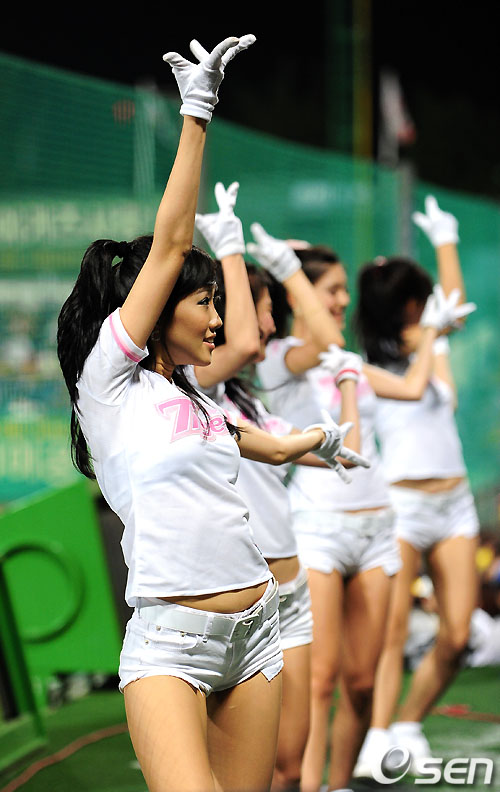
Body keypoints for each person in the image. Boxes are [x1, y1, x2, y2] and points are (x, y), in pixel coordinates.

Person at [56, 35, 363, 792]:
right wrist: (197, 114)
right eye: (206, 303)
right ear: (160, 309)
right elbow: (170, 245)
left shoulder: (195, 396)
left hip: (256, 633)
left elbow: (264, 446)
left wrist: (318, 442)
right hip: (171, 646)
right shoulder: (109, 383)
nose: (220, 319)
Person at [248, 223, 472, 792]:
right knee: (319, 680)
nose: (344, 300)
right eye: (333, 289)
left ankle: (341, 783)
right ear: (303, 294)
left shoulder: (345, 359)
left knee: (363, 683)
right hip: (318, 531)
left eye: (346, 289)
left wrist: (435, 331)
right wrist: (290, 272)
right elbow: (321, 339)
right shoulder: (280, 359)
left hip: (378, 527)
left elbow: (414, 388)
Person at [192, 182, 370, 792]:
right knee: (248, 772)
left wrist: (336, 437)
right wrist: (231, 247)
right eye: (260, 308)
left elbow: (322, 447)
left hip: (290, 594)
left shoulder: (245, 394)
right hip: (244, 592)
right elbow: (246, 340)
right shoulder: (199, 384)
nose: (269, 324)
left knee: (292, 763)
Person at [353, 196, 480, 778]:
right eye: (417, 300)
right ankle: (377, 738)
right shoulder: (366, 363)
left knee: (458, 633)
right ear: (402, 307)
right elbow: (431, 336)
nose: (429, 307)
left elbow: (452, 304)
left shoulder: (434, 337)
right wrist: (431, 333)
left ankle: (407, 723)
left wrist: (445, 240)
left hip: (455, 504)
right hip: (402, 507)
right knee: (393, 631)